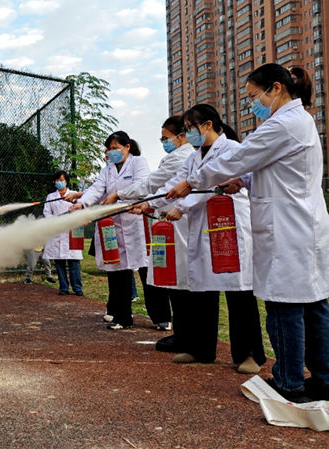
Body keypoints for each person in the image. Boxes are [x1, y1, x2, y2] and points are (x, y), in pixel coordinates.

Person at [168, 64, 329, 401]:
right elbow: (276, 170)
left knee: (284, 306)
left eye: (254, 96)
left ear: (275, 88)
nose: (253, 104)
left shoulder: (281, 124)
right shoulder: (299, 121)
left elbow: (238, 158)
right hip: (302, 223)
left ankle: (289, 383)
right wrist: (243, 181)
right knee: (313, 305)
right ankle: (323, 378)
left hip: (287, 228)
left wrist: (192, 182)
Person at [137, 104, 266, 374]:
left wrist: (181, 207)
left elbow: (209, 185)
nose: (188, 134)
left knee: (238, 291)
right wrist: (149, 203)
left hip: (227, 227)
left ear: (207, 125)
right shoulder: (195, 156)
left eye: (190, 128)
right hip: (203, 227)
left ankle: (249, 354)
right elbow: (176, 182)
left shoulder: (230, 148)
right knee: (203, 289)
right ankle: (202, 349)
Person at [104, 116, 195, 348]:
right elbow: (165, 189)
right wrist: (147, 204)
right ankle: (182, 335)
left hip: (178, 223)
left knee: (177, 279)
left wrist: (123, 195)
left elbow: (152, 183)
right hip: (165, 221)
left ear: (181, 136)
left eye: (165, 138)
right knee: (172, 278)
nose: (163, 142)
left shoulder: (181, 158)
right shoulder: (177, 157)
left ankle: (180, 332)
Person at [68, 131, 150, 329]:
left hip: (132, 222)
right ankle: (121, 316)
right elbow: (97, 189)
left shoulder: (138, 163)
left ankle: (136, 317)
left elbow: (142, 185)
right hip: (111, 225)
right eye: (109, 149)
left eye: (115, 148)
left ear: (127, 147)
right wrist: (82, 203)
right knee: (115, 271)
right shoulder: (107, 170)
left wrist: (118, 195)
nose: (111, 152)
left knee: (133, 271)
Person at [43, 171, 84, 296]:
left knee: (74, 261)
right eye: (57, 180)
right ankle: (63, 287)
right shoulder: (51, 196)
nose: (59, 182)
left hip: (73, 230)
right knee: (59, 261)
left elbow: (82, 208)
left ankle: (77, 288)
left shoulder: (74, 195)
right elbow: (47, 212)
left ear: (66, 181)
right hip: (57, 230)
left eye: (61, 180)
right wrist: (55, 221)